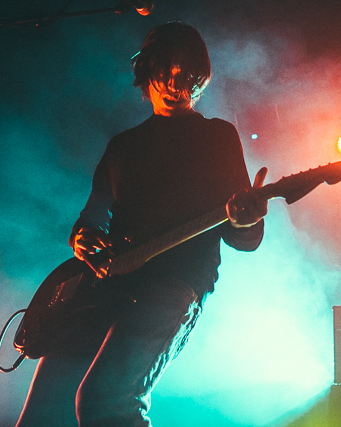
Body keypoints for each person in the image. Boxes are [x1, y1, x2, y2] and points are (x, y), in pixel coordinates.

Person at [16, 22, 268, 427]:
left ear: (199, 79)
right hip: (105, 285)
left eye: (186, 75)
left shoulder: (217, 137)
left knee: (104, 401)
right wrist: (82, 239)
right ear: (148, 68)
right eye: (167, 70)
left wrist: (248, 219)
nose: (175, 83)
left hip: (174, 285)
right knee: (41, 413)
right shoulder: (122, 147)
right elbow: (91, 217)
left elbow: (246, 238)